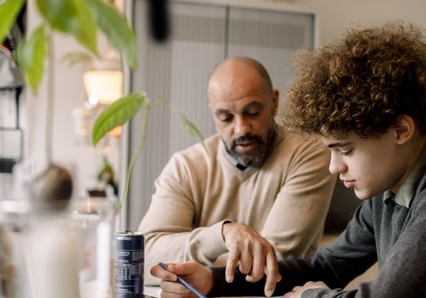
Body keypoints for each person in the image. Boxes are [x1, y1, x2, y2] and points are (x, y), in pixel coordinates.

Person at [150, 22, 426, 298]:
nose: (334, 167)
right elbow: (327, 266)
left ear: (401, 129)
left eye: (345, 150)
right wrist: (213, 280)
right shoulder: (387, 194)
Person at [139, 56, 336, 284]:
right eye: (226, 117)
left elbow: (273, 261)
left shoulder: (308, 153)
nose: (241, 128)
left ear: (274, 101)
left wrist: (195, 272)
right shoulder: (185, 167)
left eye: (252, 112)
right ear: (213, 113)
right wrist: (221, 235)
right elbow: (143, 259)